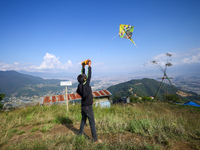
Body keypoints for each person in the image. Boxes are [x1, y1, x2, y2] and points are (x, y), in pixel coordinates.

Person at [76, 59, 98, 142]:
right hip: (88, 106)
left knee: (83, 120)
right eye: (85, 78)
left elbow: (83, 76)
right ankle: (95, 139)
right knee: (92, 122)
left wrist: (83, 66)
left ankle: (80, 134)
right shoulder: (86, 84)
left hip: (83, 106)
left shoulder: (80, 86)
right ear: (85, 80)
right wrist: (89, 66)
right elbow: (89, 75)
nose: (86, 77)